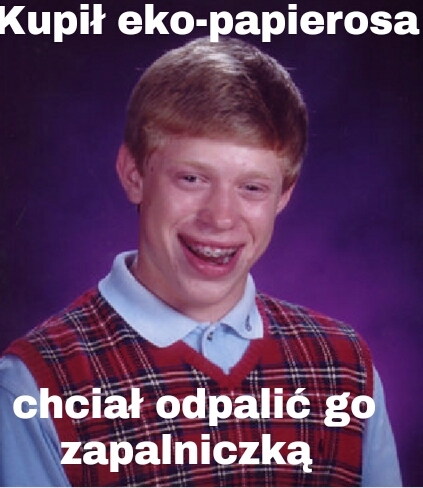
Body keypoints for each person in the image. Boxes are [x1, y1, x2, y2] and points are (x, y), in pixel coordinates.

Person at [0, 37, 401, 487]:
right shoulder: (35, 384)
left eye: (252, 187)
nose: (221, 217)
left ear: (283, 196)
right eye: (192, 178)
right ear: (134, 175)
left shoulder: (345, 367)